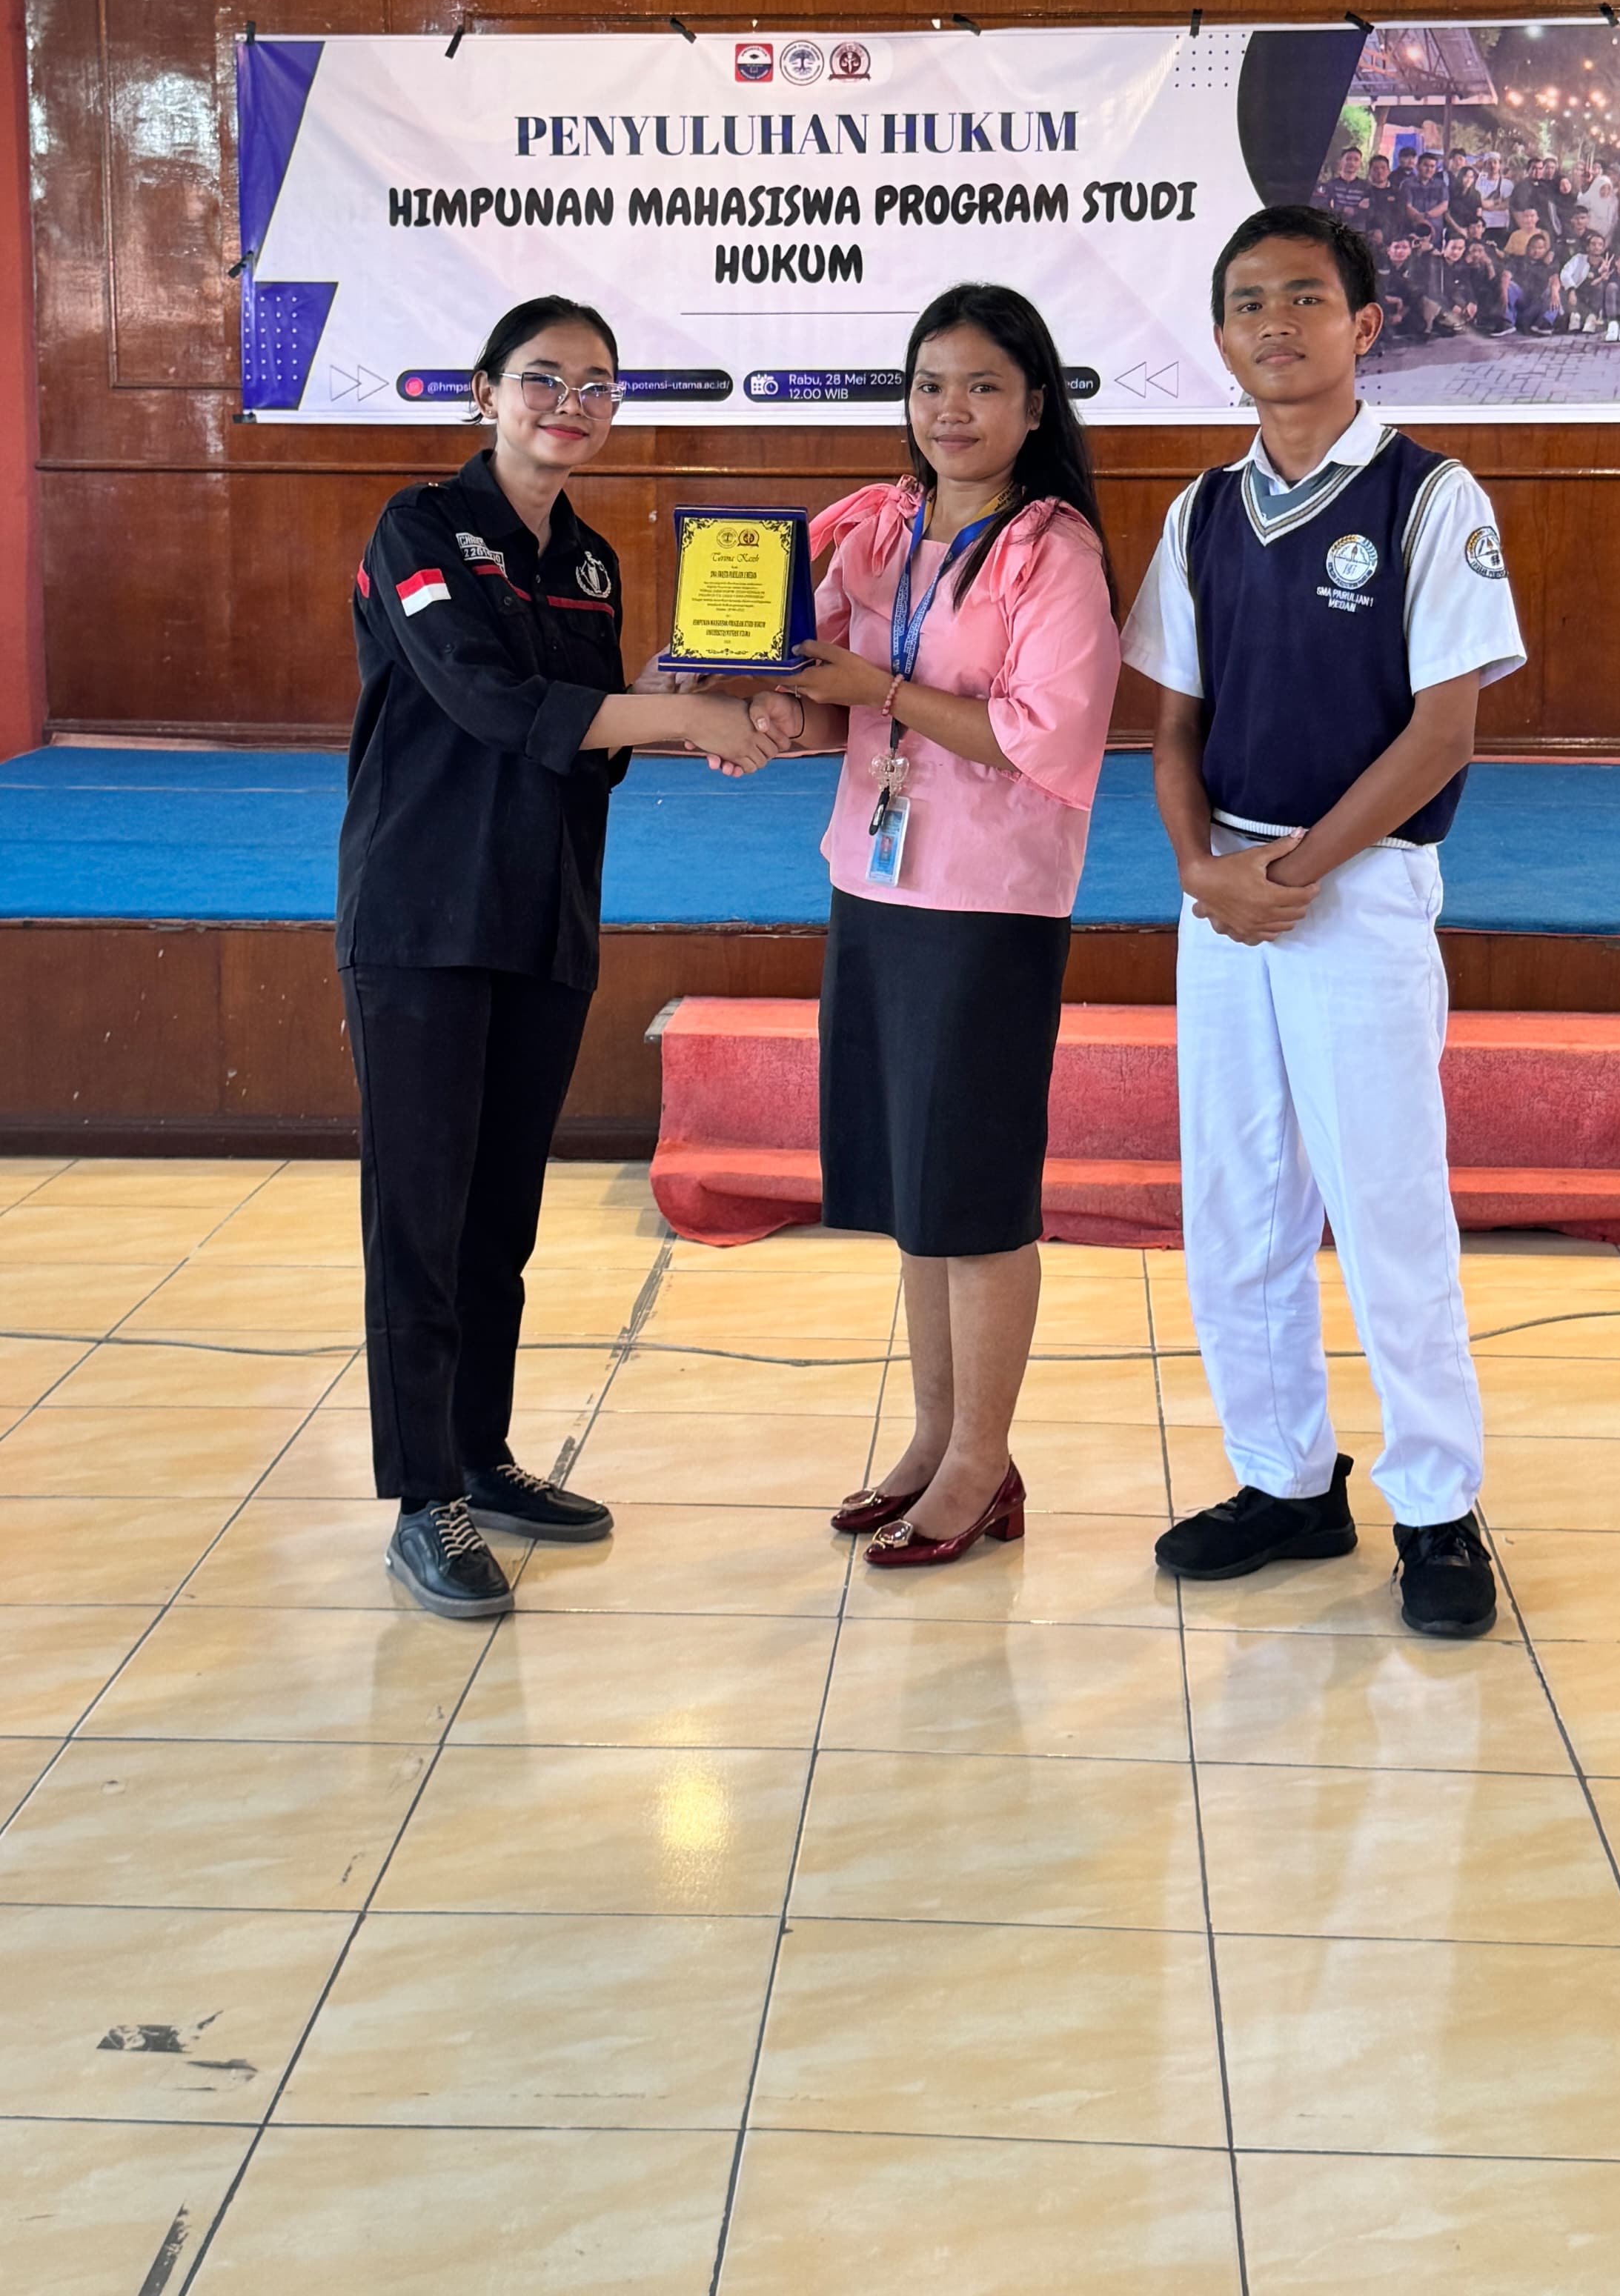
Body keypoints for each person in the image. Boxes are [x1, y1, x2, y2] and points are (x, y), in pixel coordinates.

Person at [1122, 205, 1527, 1641]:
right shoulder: (1201, 511)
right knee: (1237, 1202)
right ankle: (1285, 1479)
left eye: (1305, 297)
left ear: (1363, 325)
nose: (1275, 323)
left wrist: (1289, 874)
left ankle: (1437, 1503)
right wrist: (1201, 868)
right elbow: (1173, 725)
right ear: (1220, 336)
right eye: (1248, 303)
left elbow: (1441, 734)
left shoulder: (1431, 497)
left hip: (1353, 892)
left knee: (1385, 1204)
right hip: (1225, 895)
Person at [339, 293, 773, 1619]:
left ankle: (480, 1455)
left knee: (500, 1215)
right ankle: (423, 1498)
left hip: (544, 915)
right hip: (423, 914)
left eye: (595, 385)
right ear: (486, 392)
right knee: (421, 1215)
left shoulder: (589, 562)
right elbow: (488, 701)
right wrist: (682, 715)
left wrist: (682, 708)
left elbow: (593, 749)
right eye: (542, 378)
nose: (569, 405)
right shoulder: (419, 526)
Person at [777, 283, 1121, 1569]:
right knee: (915, 1185)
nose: (951, 410)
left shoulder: (1053, 550)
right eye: (930, 385)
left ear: (1035, 407)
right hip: (875, 885)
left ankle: (984, 1461)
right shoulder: (878, 528)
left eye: (982, 386)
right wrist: (760, 710)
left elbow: (1043, 736)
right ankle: (935, 1442)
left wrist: (878, 685)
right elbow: (811, 680)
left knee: (973, 1189)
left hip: (988, 902)